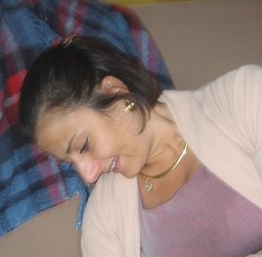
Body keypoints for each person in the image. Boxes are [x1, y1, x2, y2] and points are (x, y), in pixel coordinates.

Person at [18, 35, 262, 257]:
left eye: (84, 146)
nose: (89, 176)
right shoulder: (103, 217)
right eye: (71, 163)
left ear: (115, 92)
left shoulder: (243, 98)